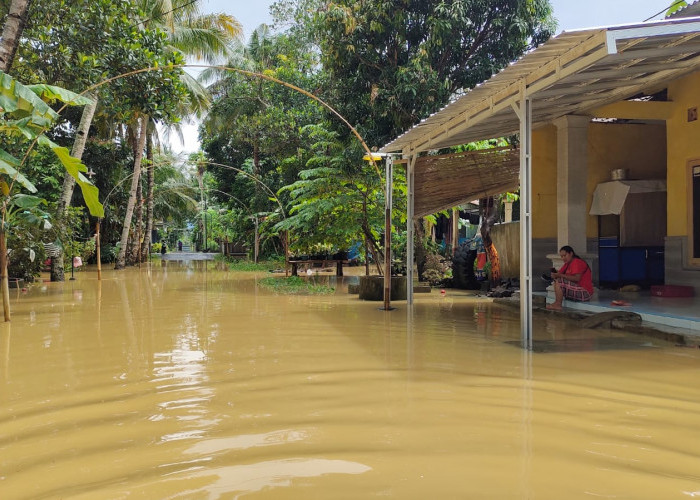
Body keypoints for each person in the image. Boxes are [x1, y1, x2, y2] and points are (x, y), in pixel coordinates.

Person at [546, 245, 593, 311]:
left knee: (560, 281)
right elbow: (560, 274)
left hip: (585, 293)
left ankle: (558, 304)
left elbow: (576, 278)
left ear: (571, 253)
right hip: (577, 290)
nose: (563, 258)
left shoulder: (577, 262)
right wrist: (555, 274)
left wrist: (560, 275)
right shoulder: (567, 264)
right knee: (557, 280)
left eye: (565, 255)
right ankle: (557, 303)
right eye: (561, 256)